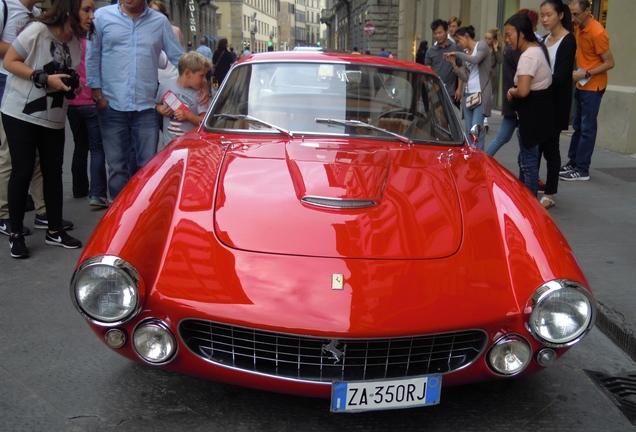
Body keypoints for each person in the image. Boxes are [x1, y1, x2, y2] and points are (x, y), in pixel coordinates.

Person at [2, 0, 95, 258]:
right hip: (20, 112)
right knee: (21, 172)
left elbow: (67, 75)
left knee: (53, 172)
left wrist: (73, 86)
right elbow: (10, 61)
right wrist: (41, 77)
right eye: (86, 10)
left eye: (92, 10)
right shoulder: (37, 32)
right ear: (69, 9)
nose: (91, 16)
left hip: (53, 116)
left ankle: (54, 231)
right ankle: (15, 233)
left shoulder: (75, 44)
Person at [86, 0, 185, 200]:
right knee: (116, 167)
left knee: (147, 165)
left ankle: (142, 211)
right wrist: (97, 95)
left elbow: (178, 57)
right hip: (111, 104)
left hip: (146, 106)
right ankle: (118, 213)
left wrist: (199, 81)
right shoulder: (103, 17)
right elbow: (92, 56)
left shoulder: (159, 22)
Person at [0, 0, 43, 237]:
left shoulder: (35, 12)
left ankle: (42, 212)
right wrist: (25, 46)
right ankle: (3, 214)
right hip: (5, 81)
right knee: (8, 154)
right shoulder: (4, 6)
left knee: (35, 154)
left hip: (30, 83)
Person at [559, 0, 614, 181]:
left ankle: (582, 169)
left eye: (576, 14)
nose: (573, 18)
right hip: (581, 83)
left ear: (587, 11)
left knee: (587, 128)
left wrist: (586, 73)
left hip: (593, 85)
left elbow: (609, 63)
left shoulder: (597, 32)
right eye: (571, 14)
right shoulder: (579, 28)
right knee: (578, 127)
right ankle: (573, 162)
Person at [505, 13, 554, 198]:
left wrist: (511, 91)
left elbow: (523, 90)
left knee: (528, 163)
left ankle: (529, 203)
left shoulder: (528, 57)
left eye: (509, 34)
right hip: (538, 115)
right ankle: (525, 199)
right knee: (526, 160)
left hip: (531, 118)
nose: (507, 40)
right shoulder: (537, 50)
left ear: (522, 33)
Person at [538, 0, 576, 208]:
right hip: (539, 102)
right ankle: (530, 184)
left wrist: (537, 82)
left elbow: (561, 76)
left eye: (548, 15)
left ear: (560, 15)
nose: (544, 19)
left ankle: (550, 193)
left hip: (554, 103)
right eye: (542, 15)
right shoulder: (543, 40)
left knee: (550, 148)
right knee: (534, 147)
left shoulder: (568, 40)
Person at [68, 38, 109, 208]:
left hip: (72, 103)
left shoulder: (69, 43)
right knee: (97, 148)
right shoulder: (91, 43)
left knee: (80, 145)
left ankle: (79, 188)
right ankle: (97, 192)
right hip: (91, 101)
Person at [445, 25, 493, 151]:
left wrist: (457, 54)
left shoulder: (481, 46)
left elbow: (476, 60)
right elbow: (466, 78)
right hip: (468, 94)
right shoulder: (467, 54)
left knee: (476, 130)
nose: (458, 44)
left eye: (459, 40)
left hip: (480, 94)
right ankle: (469, 157)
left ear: (466, 36)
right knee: (468, 130)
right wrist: (454, 65)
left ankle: (478, 159)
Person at [156, 52, 210, 146]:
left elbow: (205, 122)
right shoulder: (165, 85)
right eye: (201, 75)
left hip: (191, 146)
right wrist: (159, 109)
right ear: (188, 73)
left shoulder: (201, 95)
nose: (204, 80)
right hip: (169, 146)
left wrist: (188, 117)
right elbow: (157, 104)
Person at [425, 19, 461, 106]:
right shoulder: (430, 51)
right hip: (434, 92)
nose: (437, 36)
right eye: (435, 33)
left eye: (440, 33)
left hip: (450, 92)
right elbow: (428, 72)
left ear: (446, 31)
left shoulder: (455, 48)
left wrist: (459, 89)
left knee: (448, 118)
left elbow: (461, 68)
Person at [483, 28, 502, 133]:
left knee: (489, 100)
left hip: (492, 77)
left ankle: (485, 120)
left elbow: (500, 61)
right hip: (483, 76)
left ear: (494, 40)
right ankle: (484, 120)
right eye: (485, 38)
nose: (486, 41)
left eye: (489, 39)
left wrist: (495, 49)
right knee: (483, 99)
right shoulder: (482, 48)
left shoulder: (497, 49)